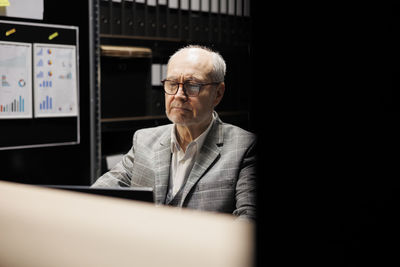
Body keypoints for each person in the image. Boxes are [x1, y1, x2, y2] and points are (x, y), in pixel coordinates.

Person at [92, 45, 256, 220]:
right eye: (172, 84)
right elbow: (98, 193)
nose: (178, 95)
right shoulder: (145, 140)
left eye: (192, 86)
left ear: (218, 93)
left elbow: (248, 219)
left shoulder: (244, 147)